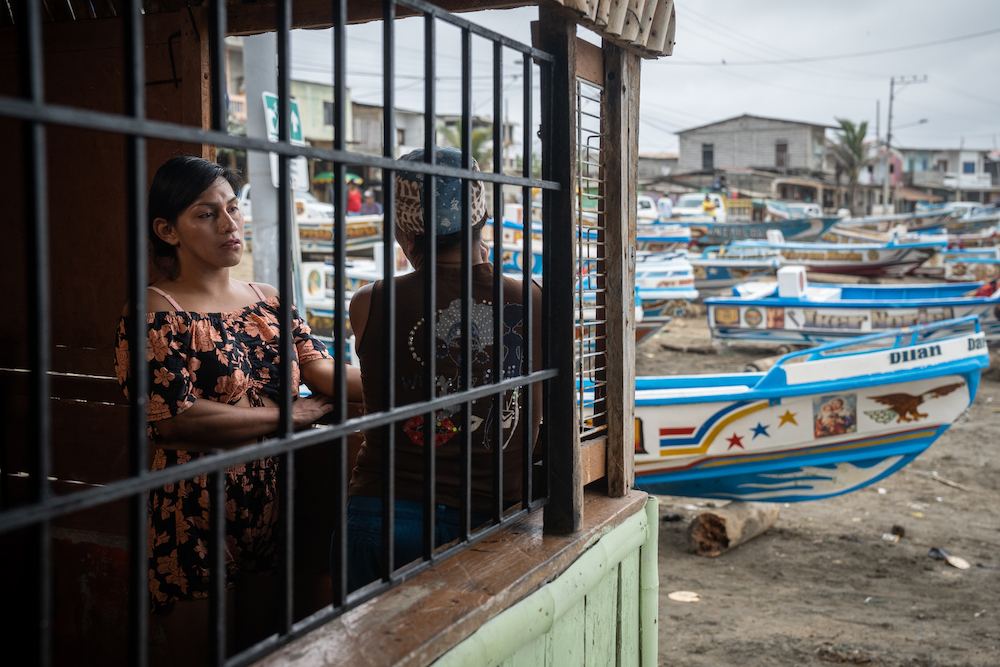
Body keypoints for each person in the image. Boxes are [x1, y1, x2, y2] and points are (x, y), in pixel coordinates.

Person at [114, 156, 362, 664]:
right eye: (207, 214)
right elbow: (175, 421)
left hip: (272, 502)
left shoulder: (268, 300)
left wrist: (419, 378)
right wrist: (289, 416)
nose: (229, 224)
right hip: (192, 511)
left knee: (258, 653)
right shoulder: (155, 311)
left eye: (232, 207)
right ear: (167, 230)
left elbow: (322, 372)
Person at [343, 147, 543, 592]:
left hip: (383, 510)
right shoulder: (531, 300)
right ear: (483, 219)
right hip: (490, 515)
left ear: (402, 231)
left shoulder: (371, 301)